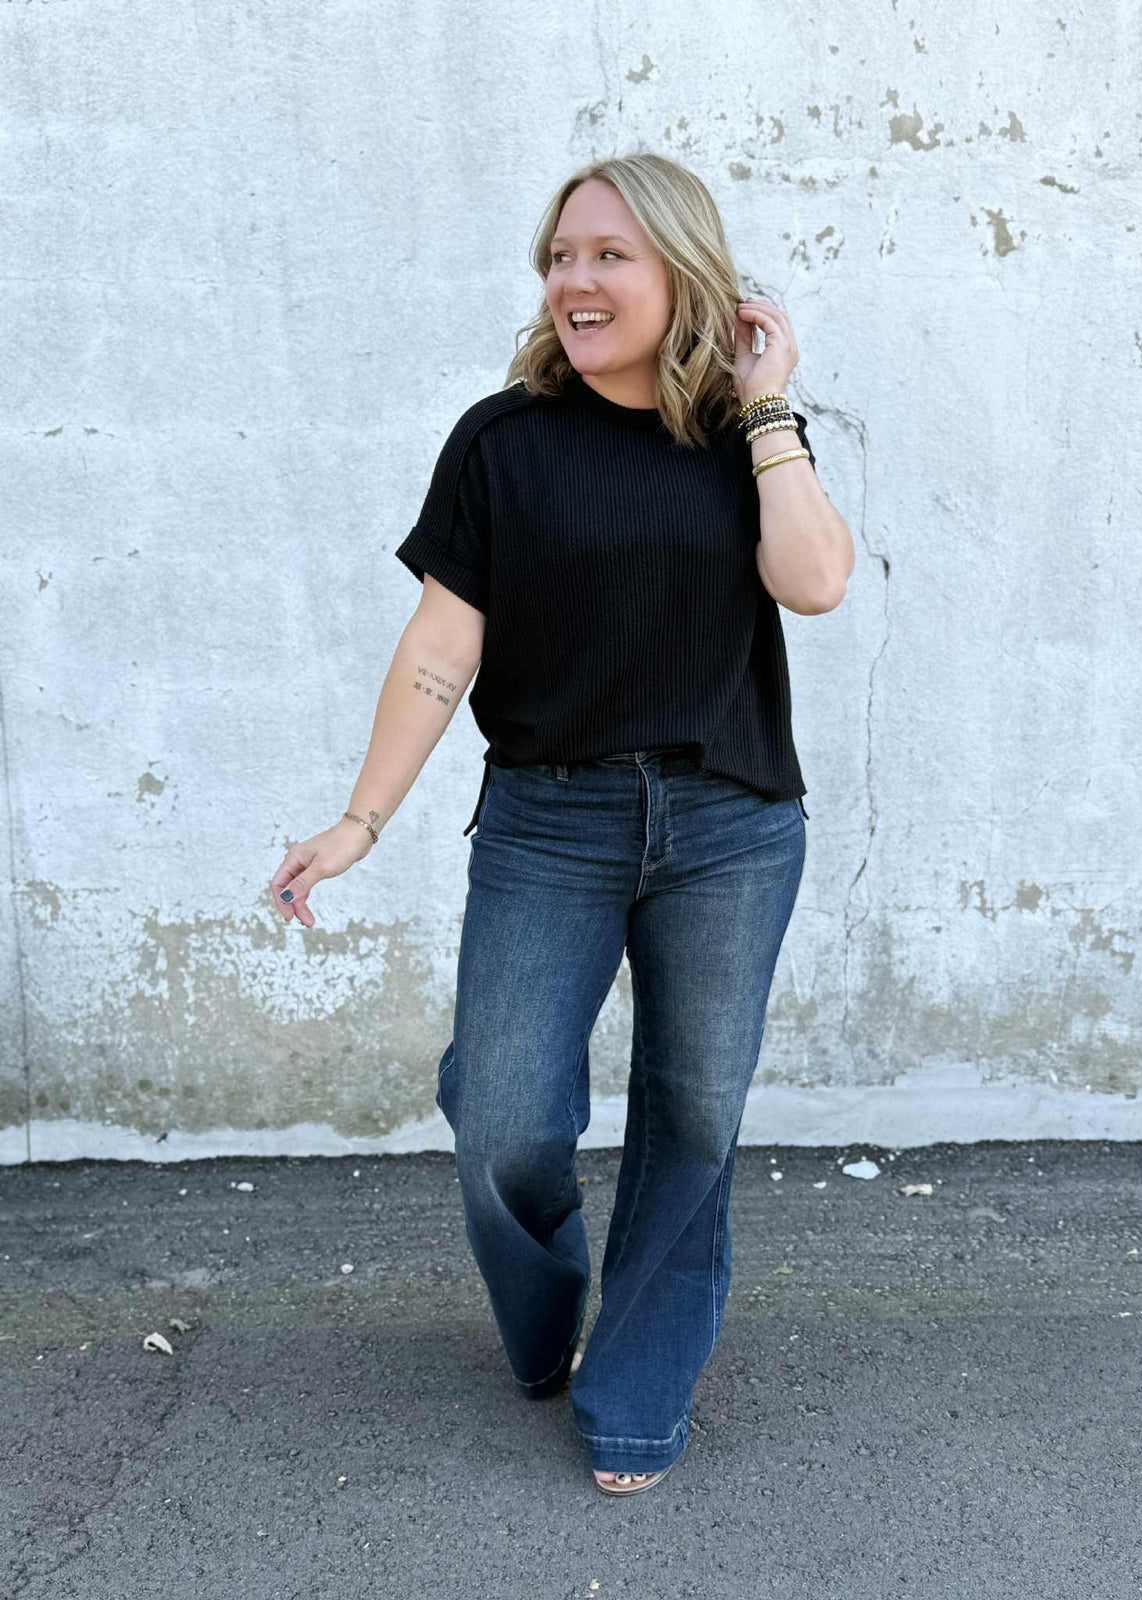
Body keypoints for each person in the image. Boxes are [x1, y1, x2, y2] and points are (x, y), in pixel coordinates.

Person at [269, 151, 854, 1496]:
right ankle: (546, 1318)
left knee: (693, 1113)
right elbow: (441, 645)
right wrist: (360, 820)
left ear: (683, 273)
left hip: (730, 825)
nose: (573, 282)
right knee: (505, 1115)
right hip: (550, 822)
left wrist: (770, 405)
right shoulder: (503, 441)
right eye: (559, 257)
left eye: (608, 256)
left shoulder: (745, 437)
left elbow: (816, 582)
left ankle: (635, 1389)